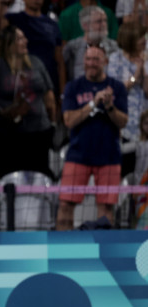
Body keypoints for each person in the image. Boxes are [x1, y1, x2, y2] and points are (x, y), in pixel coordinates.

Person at [56, 44, 128, 230]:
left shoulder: (117, 87)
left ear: (105, 62)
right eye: (88, 59)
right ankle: (62, 251)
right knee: (65, 205)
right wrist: (93, 104)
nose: (91, 63)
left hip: (109, 157)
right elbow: (69, 121)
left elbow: (123, 122)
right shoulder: (73, 87)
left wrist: (110, 106)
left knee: (106, 209)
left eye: (96, 60)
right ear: (83, 61)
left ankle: (104, 253)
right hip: (78, 154)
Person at [0, 26, 56, 179]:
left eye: (24, 37)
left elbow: (48, 95)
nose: (25, 41)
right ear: (9, 44)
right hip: (8, 137)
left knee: (40, 177)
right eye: (20, 38)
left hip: (39, 133)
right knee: (10, 178)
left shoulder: (36, 63)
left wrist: (52, 124)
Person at [0, 0, 66, 99]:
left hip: (48, 84)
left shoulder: (53, 25)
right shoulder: (13, 19)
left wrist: (63, 94)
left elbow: (60, 62)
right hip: (20, 85)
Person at [107, 21, 148, 176]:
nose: (144, 40)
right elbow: (116, 90)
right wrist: (135, 76)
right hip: (124, 124)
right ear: (130, 39)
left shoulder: (146, 58)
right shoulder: (115, 59)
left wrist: (143, 72)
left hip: (144, 123)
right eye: (140, 37)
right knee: (126, 169)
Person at [63, 6, 118, 82]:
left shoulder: (113, 46)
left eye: (105, 21)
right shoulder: (72, 47)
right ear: (85, 26)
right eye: (99, 21)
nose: (104, 24)